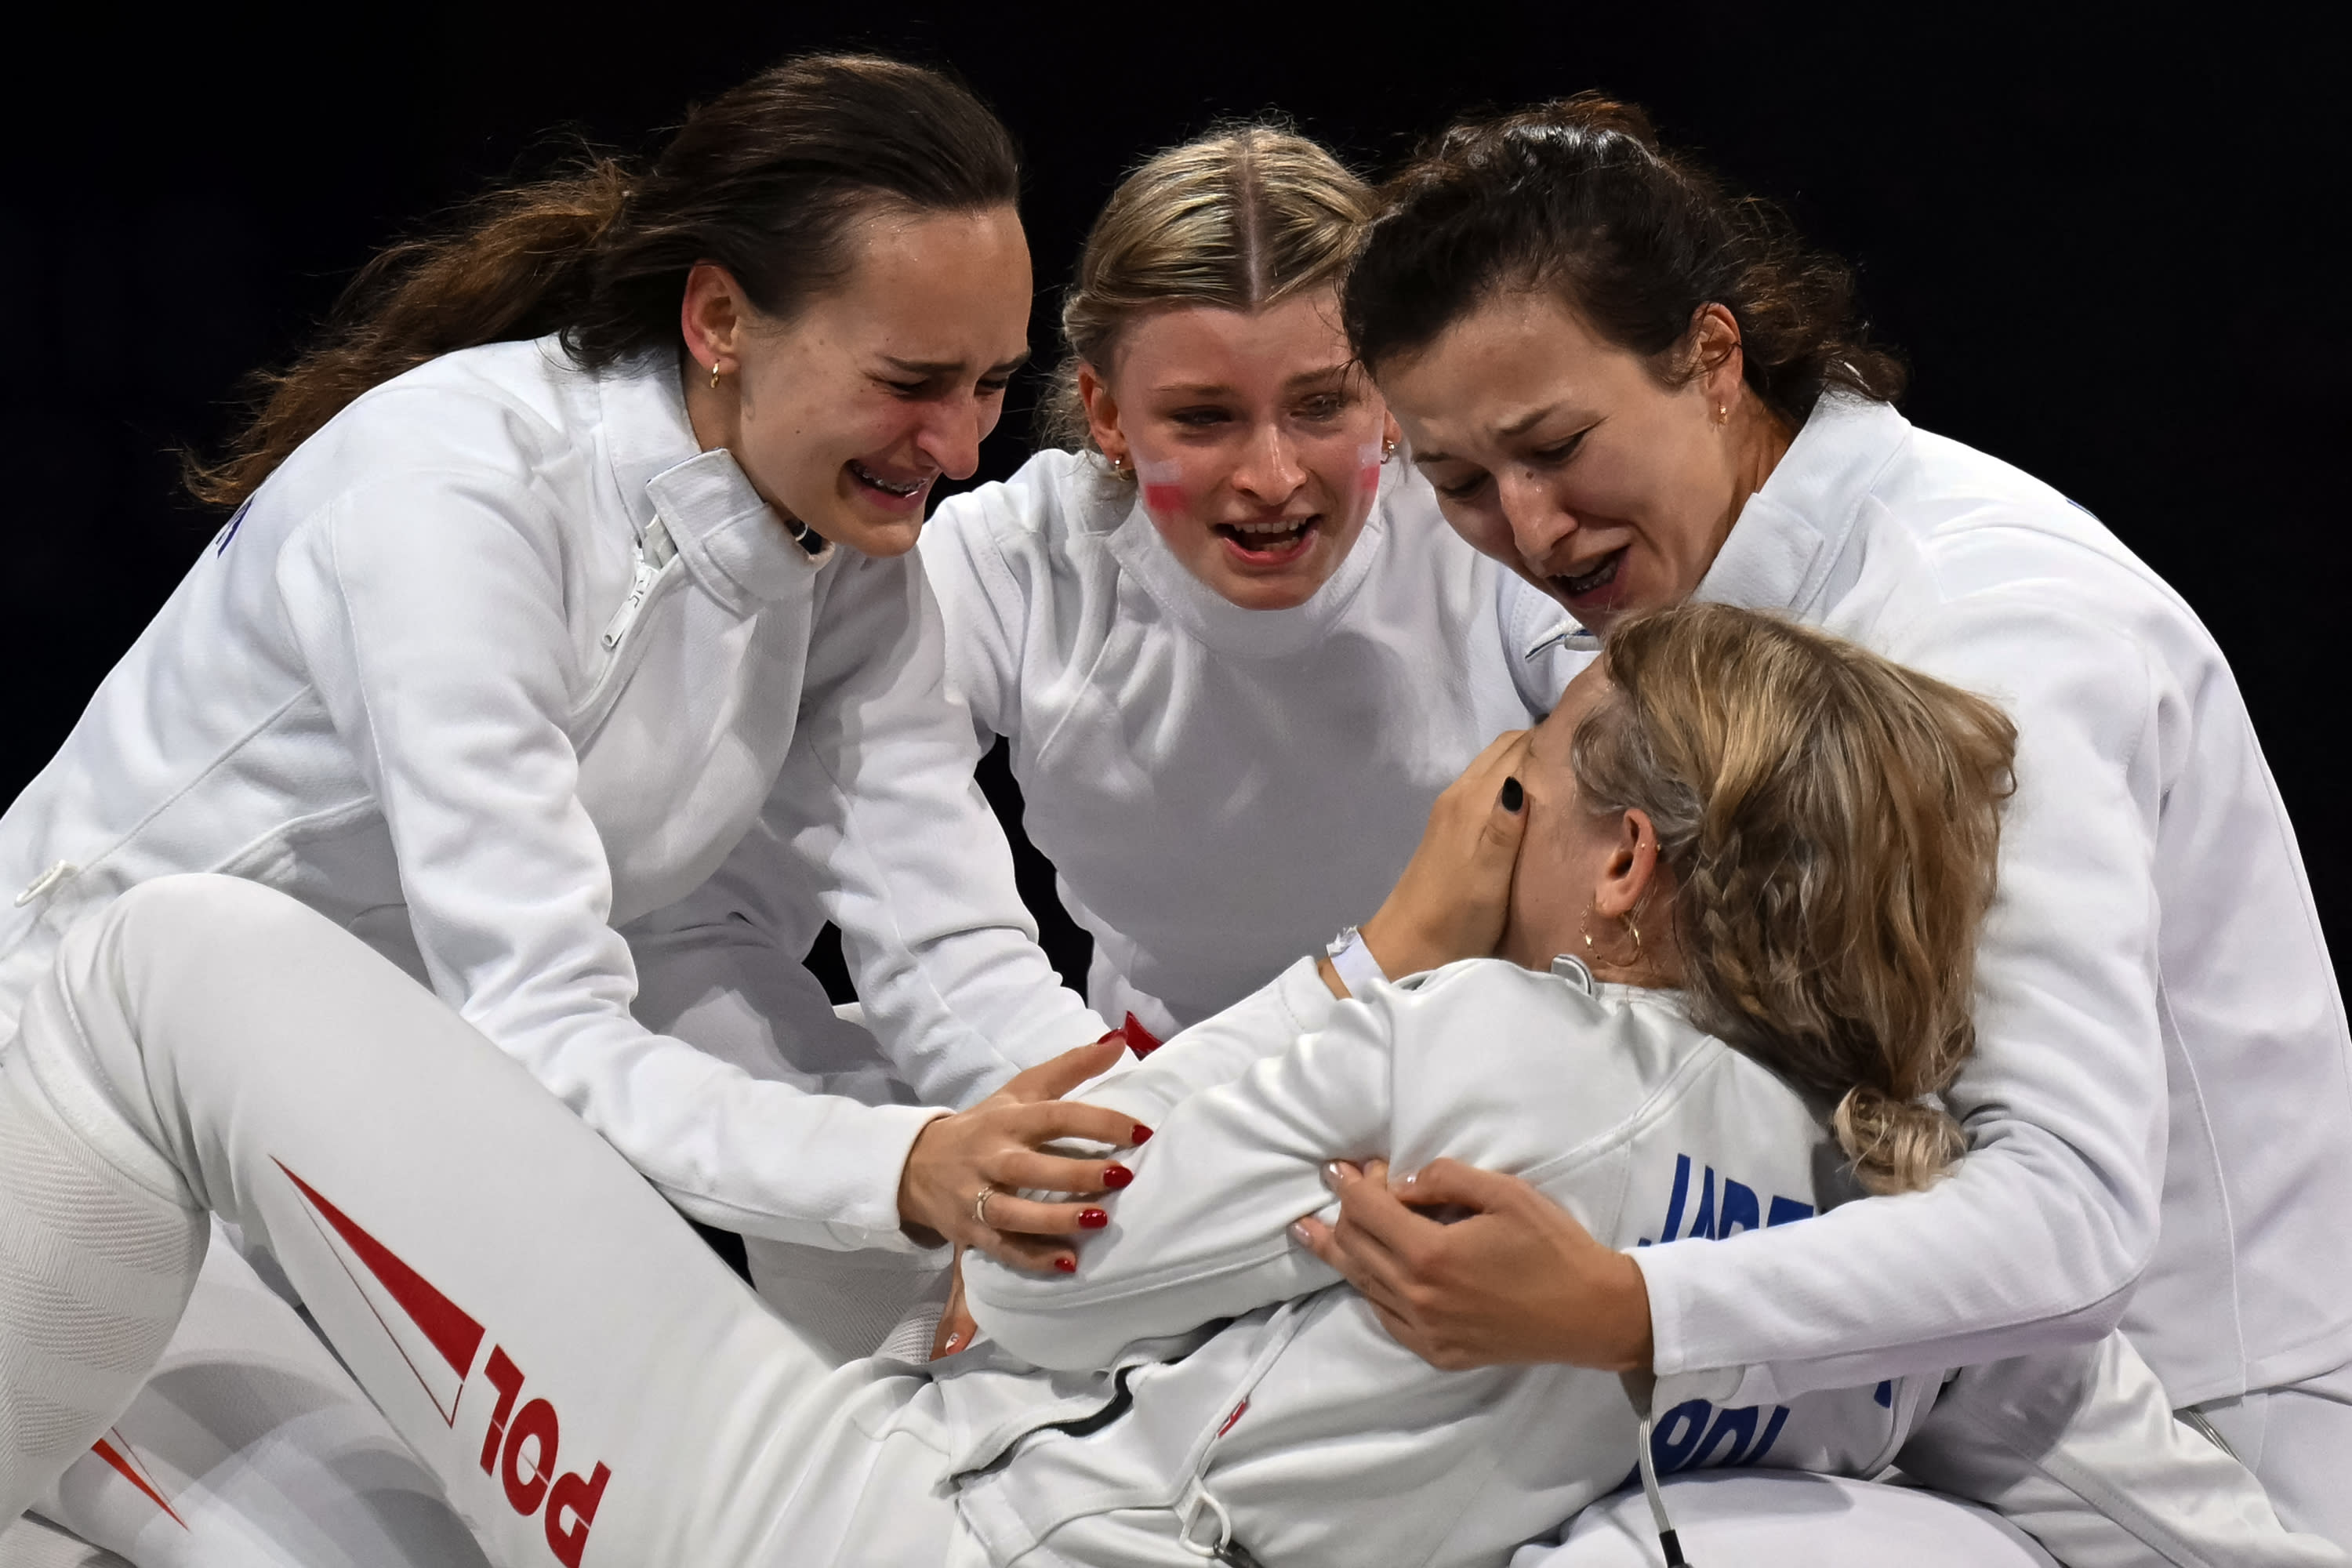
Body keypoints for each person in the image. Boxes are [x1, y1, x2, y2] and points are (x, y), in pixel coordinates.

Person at [2, 606, 2336, 1567]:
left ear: (1619, 864)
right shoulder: (1882, 1247)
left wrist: (1382, 948)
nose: (1479, 788)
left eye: (1526, 777)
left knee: (158, 966)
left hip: (875, 1536)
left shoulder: (1503, 1036)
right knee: (172, 1442)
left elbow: (1021, 1285)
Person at [0, 54, 1142, 1565]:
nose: (962, 447)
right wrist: (900, 1170)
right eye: (910, 383)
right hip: (72, 1111)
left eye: (992, 383)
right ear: (721, 319)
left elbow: (943, 947)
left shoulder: (849, 560)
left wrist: (1140, 1141)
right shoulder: (452, 498)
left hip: (351, 1151)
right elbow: (535, 1028)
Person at [1294, 93, 2352, 1549]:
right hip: (1835, 1364)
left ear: (1714, 359)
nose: (1529, 531)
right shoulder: (1595, 600)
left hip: (2193, 1413)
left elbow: (2069, 1219)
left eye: (1555, 447)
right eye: (1463, 484)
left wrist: (1626, 1306)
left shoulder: (1992, 626)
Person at [918, 124, 1577, 1043]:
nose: (1271, 476)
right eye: (1204, 417)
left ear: (1389, 393)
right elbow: (904, 892)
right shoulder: (1011, 563)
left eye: (1319, 405)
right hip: (1154, 1093)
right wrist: (1089, 1113)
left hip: (1483, 1072)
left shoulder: (1496, 519)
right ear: (1106, 413)